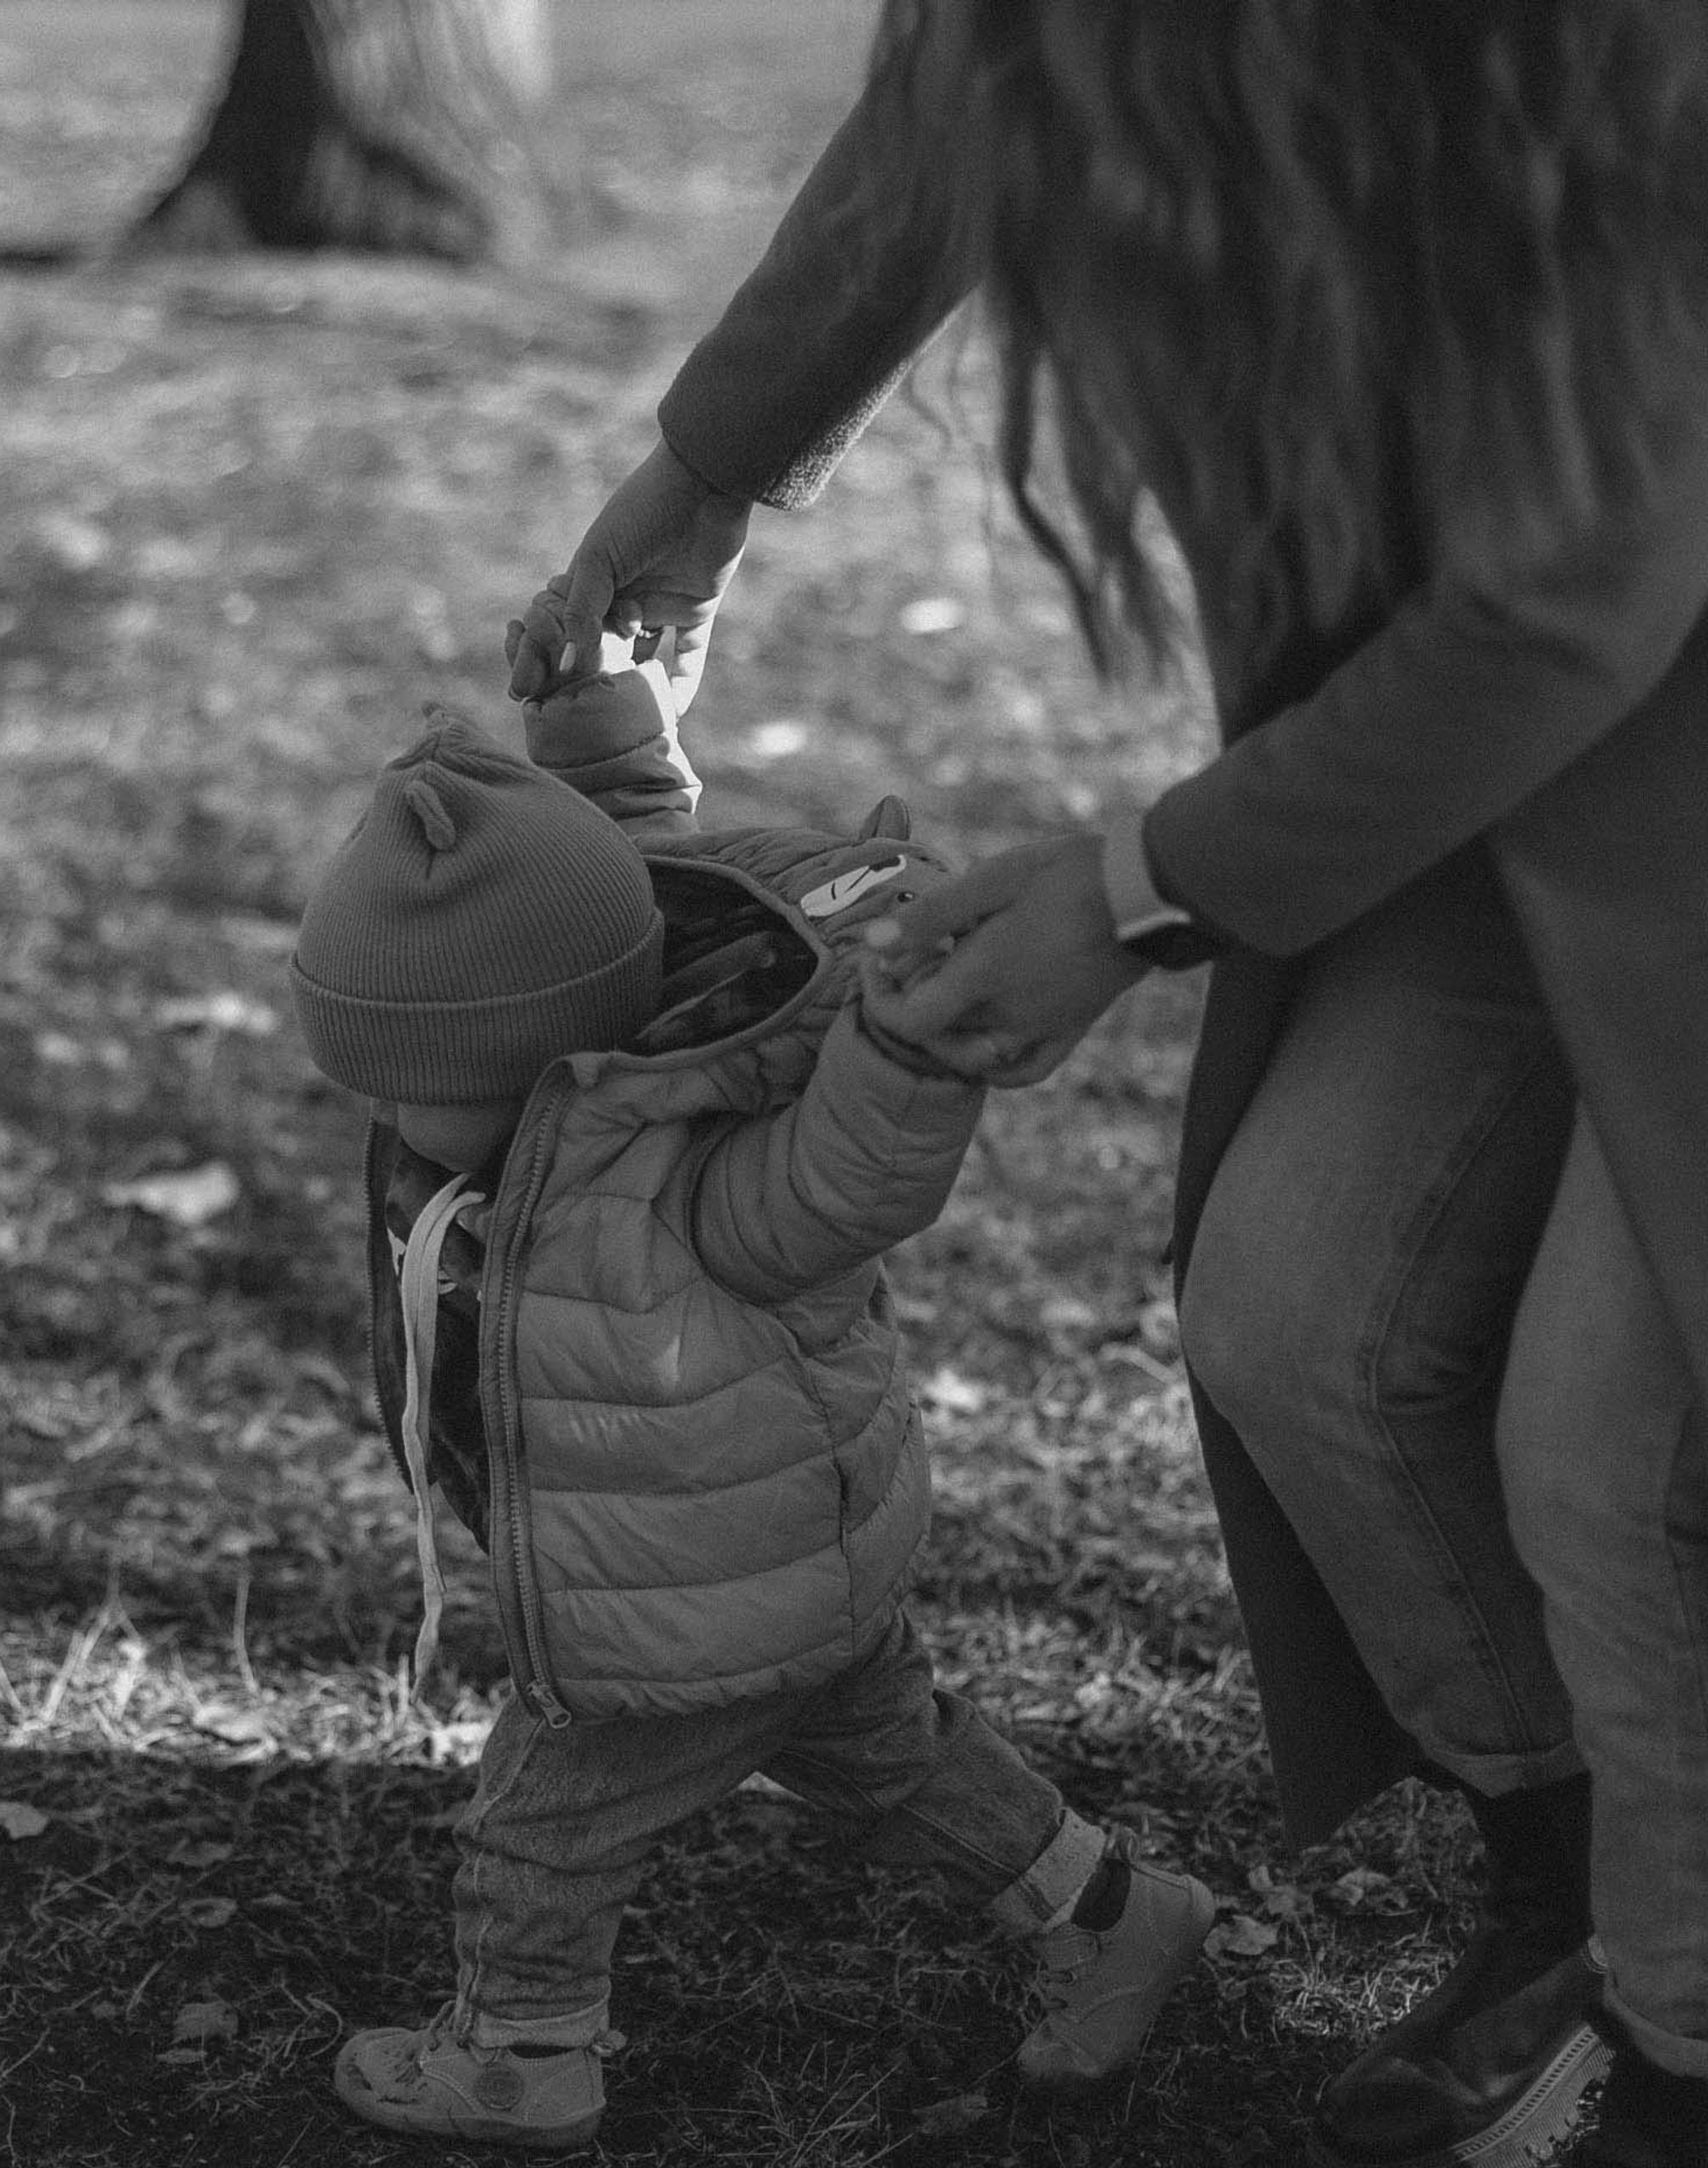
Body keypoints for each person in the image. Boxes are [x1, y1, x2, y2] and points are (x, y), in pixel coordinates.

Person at [505, 8, 1708, 2167]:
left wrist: (1141, 888)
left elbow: (1586, 578)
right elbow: (955, 112)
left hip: (1628, 711)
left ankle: (1682, 2048)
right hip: (1487, 759)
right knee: (1298, 1316)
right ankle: (1572, 1876)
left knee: (1607, 1452)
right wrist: (694, 483)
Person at [289, 654, 1213, 2149]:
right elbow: (615, 867)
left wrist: (909, 1052)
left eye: (403, 1083)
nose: (382, 1118)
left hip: (695, 1599)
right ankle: (1112, 1914)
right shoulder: (574, 1001)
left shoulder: (689, 1175)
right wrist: (595, 727)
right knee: (893, 1756)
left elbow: (854, 1173)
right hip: (787, 1571)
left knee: (541, 1828)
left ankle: (522, 2056)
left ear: (530, 1057)